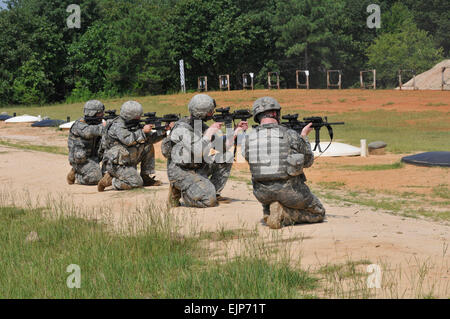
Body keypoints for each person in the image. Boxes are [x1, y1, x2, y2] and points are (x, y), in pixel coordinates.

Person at [242, 96, 325, 229]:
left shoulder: (248, 139)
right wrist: (303, 137)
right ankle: (284, 215)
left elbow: (249, 159)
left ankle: (268, 211)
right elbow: (308, 161)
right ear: (275, 113)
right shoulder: (290, 134)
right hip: (290, 192)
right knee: (318, 212)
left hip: (262, 194)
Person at [161, 94, 248, 207]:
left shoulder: (200, 125)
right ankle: (180, 190)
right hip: (181, 171)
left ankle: (213, 192)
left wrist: (236, 131)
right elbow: (198, 150)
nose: (212, 113)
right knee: (208, 201)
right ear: (202, 113)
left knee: (226, 158)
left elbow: (222, 147)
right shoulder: (182, 128)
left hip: (197, 165)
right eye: (210, 111)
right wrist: (209, 133)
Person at [97, 100, 169, 191]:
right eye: (137, 116)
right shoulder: (117, 125)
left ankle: (145, 176)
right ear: (130, 116)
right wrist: (143, 131)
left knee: (148, 145)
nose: (139, 118)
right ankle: (111, 180)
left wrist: (163, 131)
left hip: (128, 160)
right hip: (116, 164)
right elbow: (128, 140)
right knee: (136, 183)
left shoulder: (134, 124)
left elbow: (150, 139)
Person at [67, 100, 105, 185]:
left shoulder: (97, 124)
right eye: (100, 113)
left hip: (94, 157)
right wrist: (106, 126)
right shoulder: (79, 125)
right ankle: (76, 173)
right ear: (92, 113)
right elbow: (89, 132)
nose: (102, 115)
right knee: (95, 179)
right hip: (81, 160)